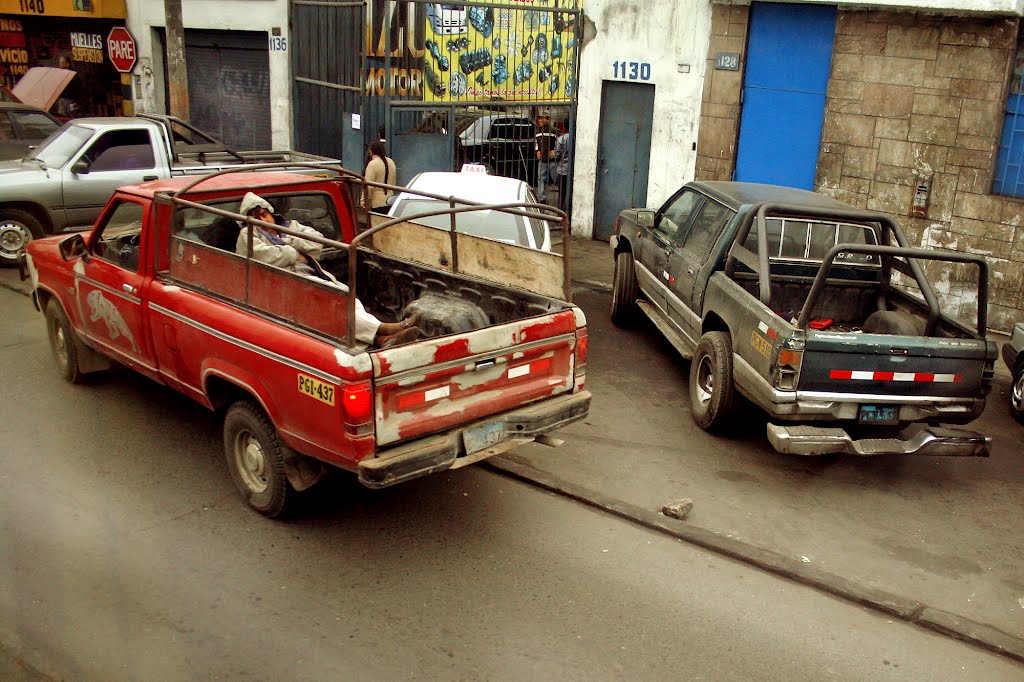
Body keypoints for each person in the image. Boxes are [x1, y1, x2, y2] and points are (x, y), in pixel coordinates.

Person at [235, 192, 419, 347]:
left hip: (309, 272)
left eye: (263, 214)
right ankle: (385, 329)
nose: (261, 220)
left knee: (347, 297)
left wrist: (291, 241)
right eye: (255, 216)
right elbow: (264, 256)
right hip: (284, 283)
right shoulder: (247, 234)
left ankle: (381, 339)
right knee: (332, 301)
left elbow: (316, 242)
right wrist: (294, 253)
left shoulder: (290, 226)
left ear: (271, 213)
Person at [362, 141, 397, 213]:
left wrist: (364, 202)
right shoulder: (391, 162)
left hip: (376, 203)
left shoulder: (372, 164)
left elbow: (368, 186)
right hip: (390, 201)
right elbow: (393, 182)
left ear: (371, 151)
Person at [533, 111, 559, 203]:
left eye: (542, 118)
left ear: (547, 119)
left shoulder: (554, 130)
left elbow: (560, 142)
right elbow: (536, 143)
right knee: (541, 179)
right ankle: (542, 199)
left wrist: (555, 151)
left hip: (553, 161)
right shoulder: (538, 131)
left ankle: (562, 198)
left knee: (557, 179)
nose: (540, 120)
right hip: (542, 160)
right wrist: (537, 151)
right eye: (539, 118)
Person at [554, 128, 573, 215]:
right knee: (571, 193)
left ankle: (561, 213)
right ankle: (569, 213)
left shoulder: (561, 138)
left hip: (562, 170)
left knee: (562, 194)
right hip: (573, 170)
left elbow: (557, 155)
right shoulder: (576, 138)